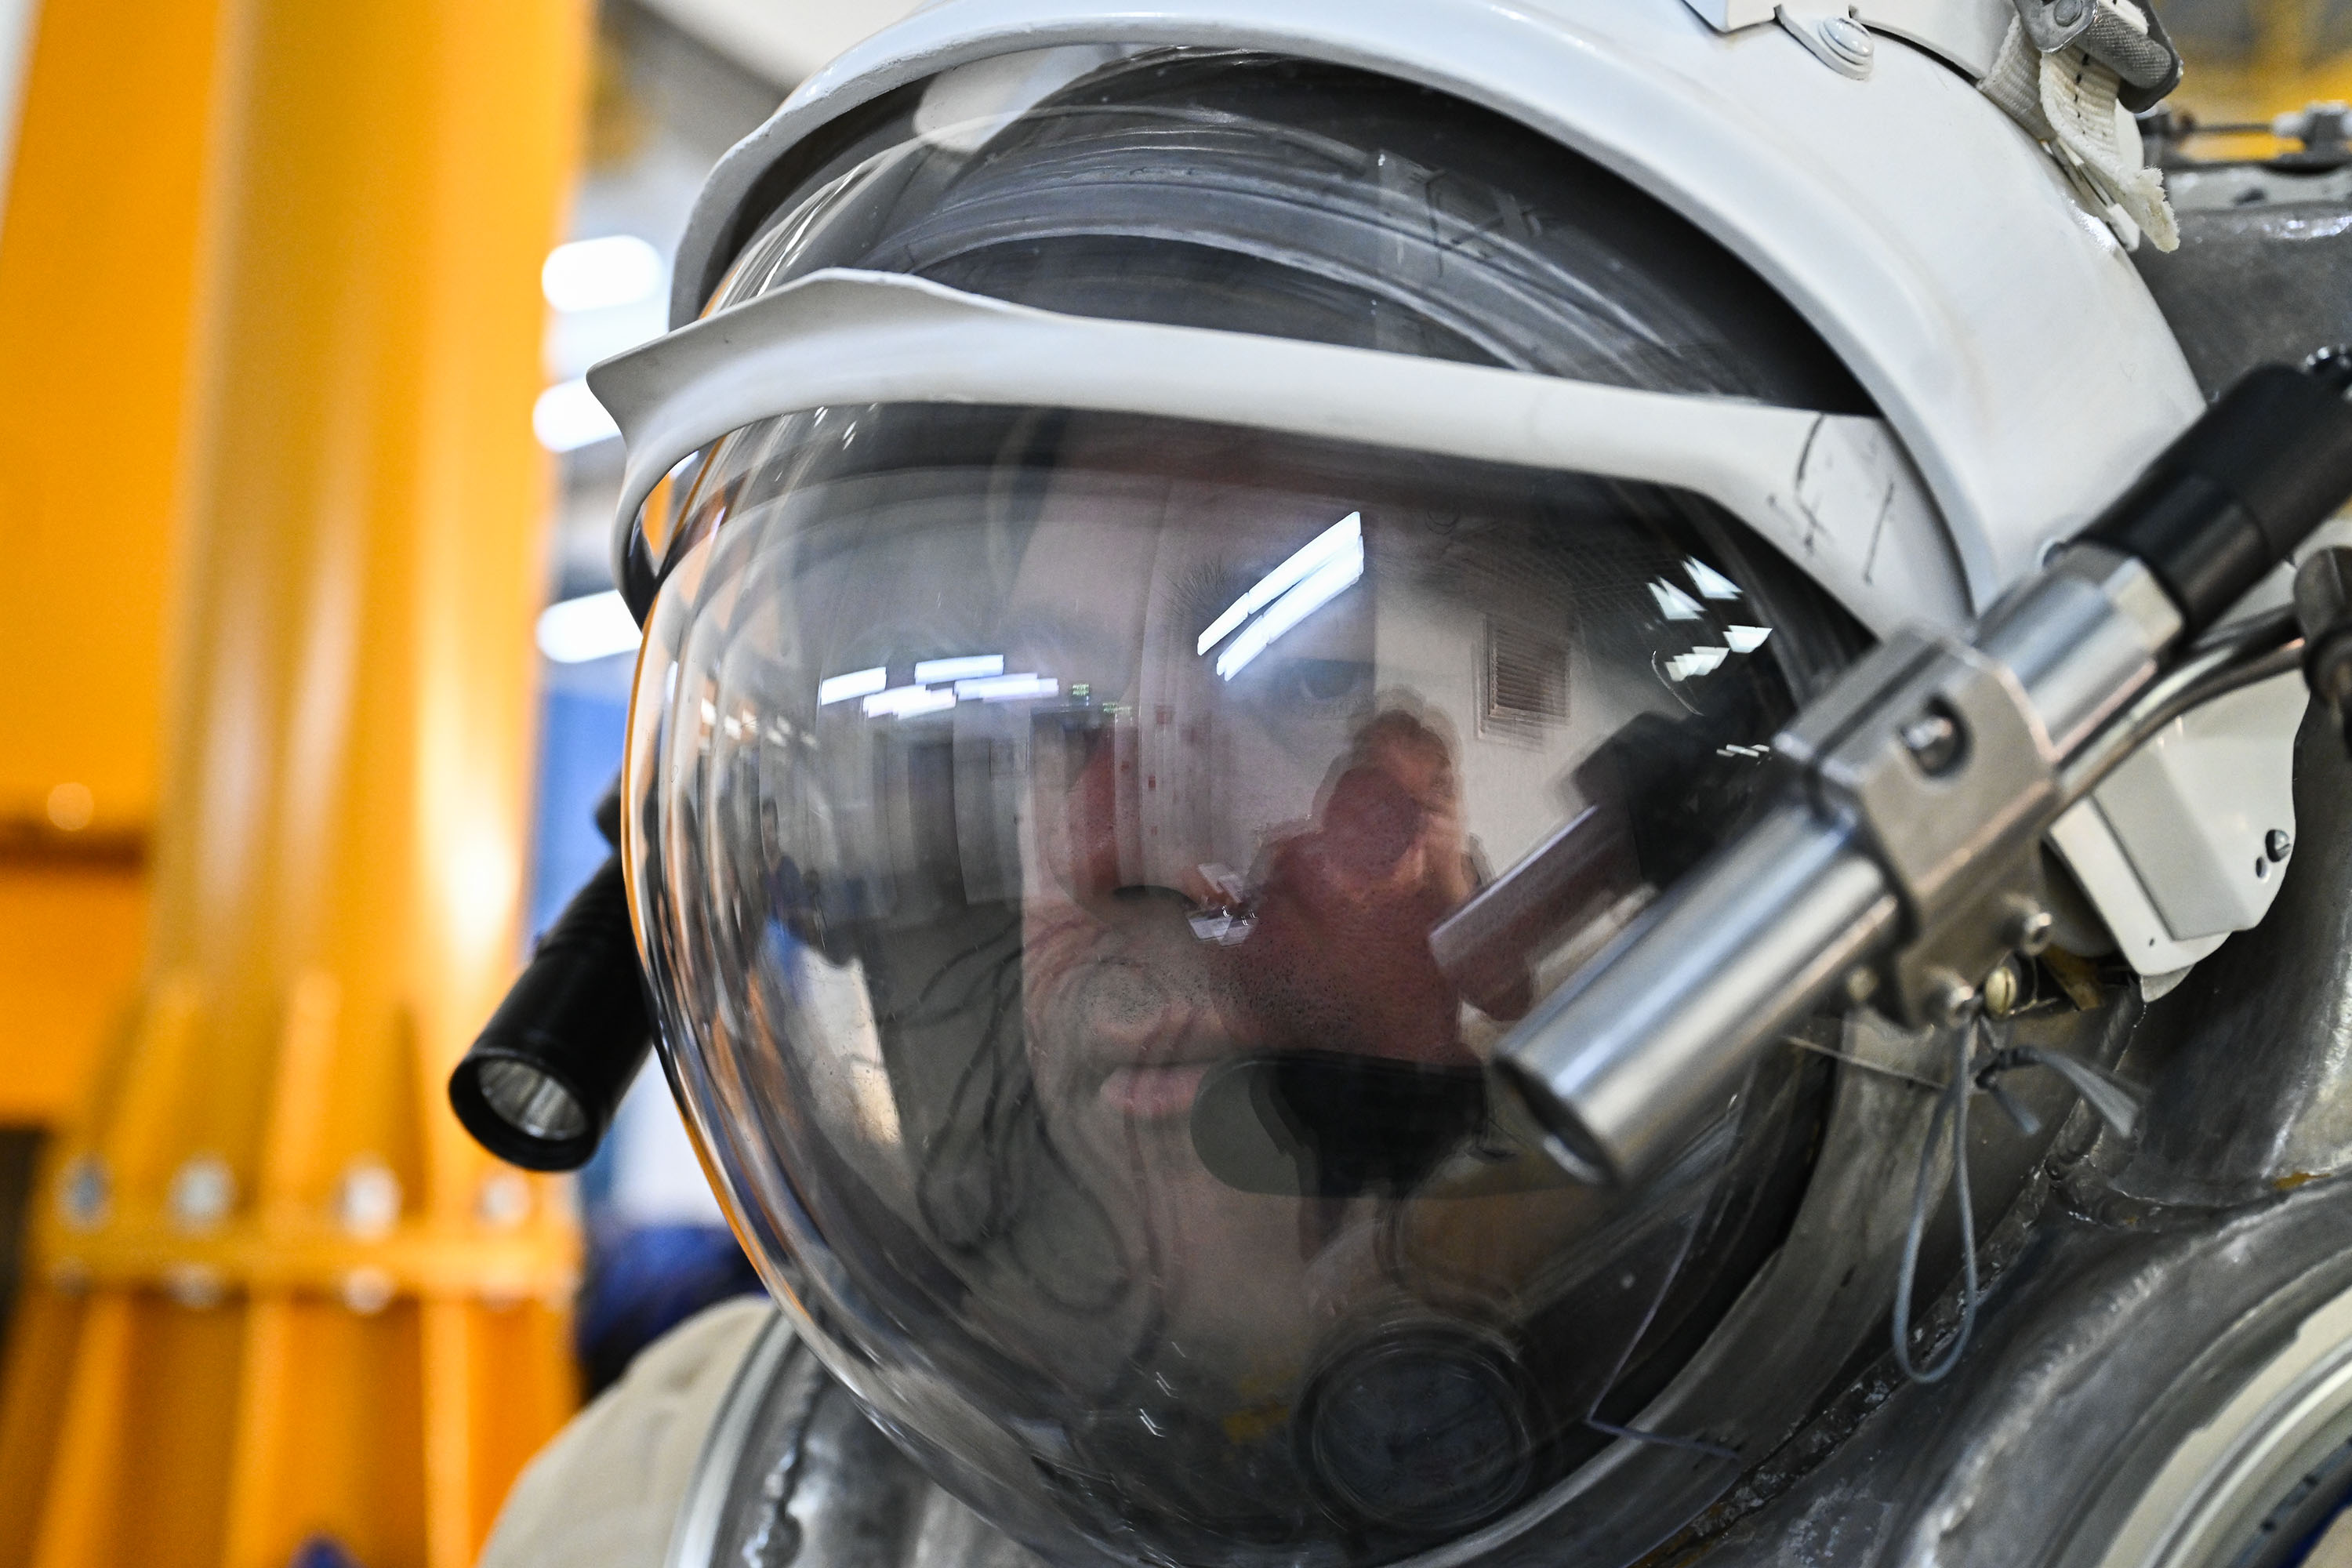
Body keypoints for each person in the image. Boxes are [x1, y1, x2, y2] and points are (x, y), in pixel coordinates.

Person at [477, 6, 2352, 1565]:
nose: (1105, 847)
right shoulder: (704, 1509)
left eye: (1298, 677)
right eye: (1048, 724)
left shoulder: (2232, 1489)